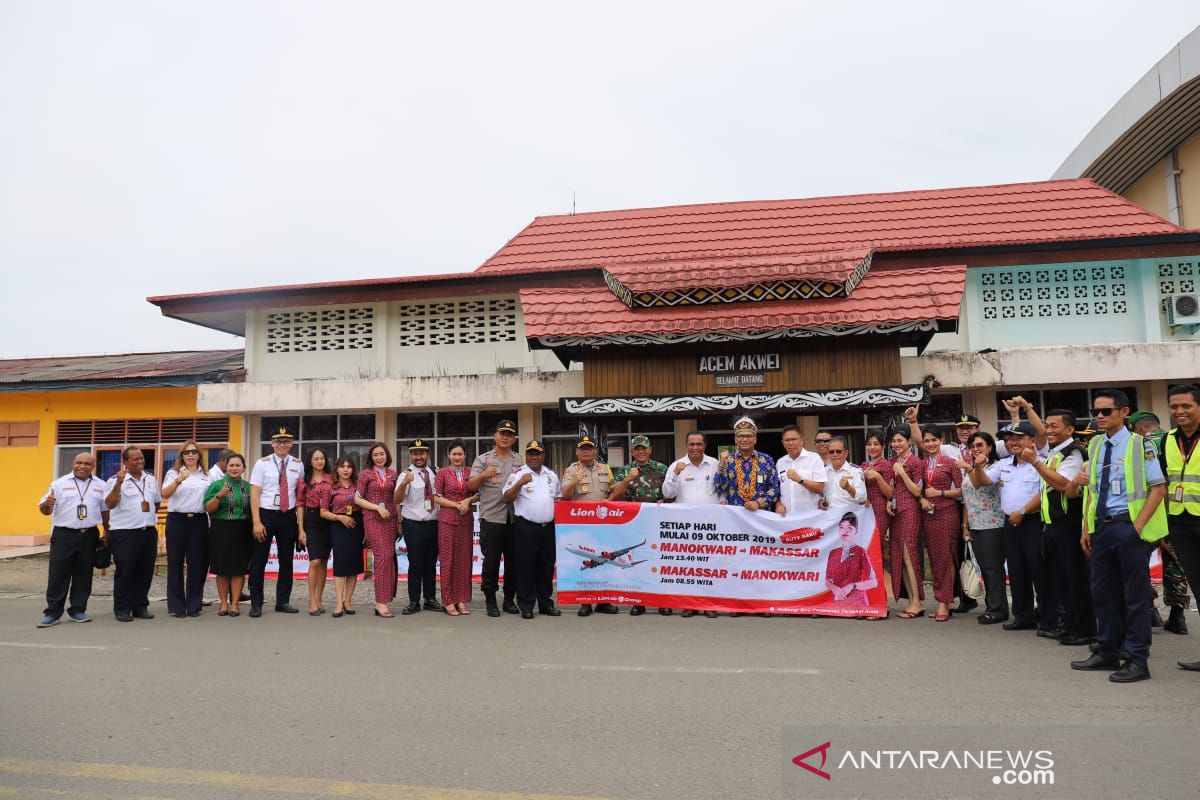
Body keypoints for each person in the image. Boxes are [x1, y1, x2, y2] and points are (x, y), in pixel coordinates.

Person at [1071, 388, 1167, 683]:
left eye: (1105, 411)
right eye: (1096, 411)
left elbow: (1158, 488)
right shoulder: (1097, 444)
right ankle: (1108, 650)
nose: (1099, 416)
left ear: (1124, 412)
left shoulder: (1142, 445)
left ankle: (1138, 659)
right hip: (1102, 528)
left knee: (1135, 598)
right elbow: (1093, 490)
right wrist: (1087, 528)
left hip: (1128, 528)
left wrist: (1136, 528)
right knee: (1103, 593)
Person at [970, 421, 1048, 633]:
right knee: (1016, 570)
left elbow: (1045, 493)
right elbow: (984, 482)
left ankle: (1048, 617)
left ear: (1032, 440)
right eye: (1009, 439)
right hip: (1011, 523)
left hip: (1033, 521)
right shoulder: (1004, 464)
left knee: (1039, 570)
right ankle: (1023, 616)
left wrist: (1023, 512)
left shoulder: (1042, 462)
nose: (1012, 442)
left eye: (1018, 438)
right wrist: (977, 466)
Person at [1028, 409, 1094, 646]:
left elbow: (1064, 484)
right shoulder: (1055, 453)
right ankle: (1069, 623)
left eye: (1055, 426)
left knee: (1076, 579)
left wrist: (1035, 462)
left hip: (1069, 524)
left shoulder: (1074, 452)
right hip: (1052, 524)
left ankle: (1084, 628)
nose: (1049, 430)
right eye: (1048, 425)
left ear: (1069, 429)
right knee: (1062, 579)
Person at [1131, 408, 1191, 634]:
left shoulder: (1139, 445)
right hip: (1179, 514)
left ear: (1136, 427)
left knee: (1139, 564)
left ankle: (1150, 611)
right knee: (1176, 565)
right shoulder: (1175, 441)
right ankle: (1178, 616)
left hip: (1149, 517)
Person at [714, 417, 780, 618]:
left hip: (760, 519)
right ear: (735, 439)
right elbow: (719, 487)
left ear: (755, 439)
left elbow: (775, 488)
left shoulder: (766, 460)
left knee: (761, 561)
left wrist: (759, 502)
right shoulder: (728, 460)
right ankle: (738, 603)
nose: (745, 439)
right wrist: (722, 467)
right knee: (737, 561)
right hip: (736, 522)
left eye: (748, 436)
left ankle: (763, 603)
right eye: (741, 436)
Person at [37, 452, 107, 627]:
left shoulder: (101, 485)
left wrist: (108, 533)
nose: (82, 466)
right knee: (58, 575)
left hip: (89, 535)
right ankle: (52, 613)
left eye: (87, 464)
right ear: (73, 463)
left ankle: (78, 609)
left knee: (84, 574)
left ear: (93, 466)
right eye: (79, 463)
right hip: (64, 535)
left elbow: (106, 511)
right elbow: (45, 510)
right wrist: (48, 505)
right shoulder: (59, 484)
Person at [661, 431, 721, 618]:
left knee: (710, 566)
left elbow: (723, 489)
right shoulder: (676, 465)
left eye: (699, 444)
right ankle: (690, 605)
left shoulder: (715, 464)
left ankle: (709, 604)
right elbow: (668, 494)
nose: (695, 447)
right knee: (690, 567)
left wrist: (725, 502)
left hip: (711, 524)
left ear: (705, 445)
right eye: (692, 444)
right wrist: (675, 475)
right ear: (686, 445)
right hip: (687, 527)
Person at [503, 440, 562, 619]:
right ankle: (526, 605)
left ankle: (545, 604)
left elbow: (559, 498)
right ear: (526, 455)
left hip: (548, 528)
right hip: (525, 528)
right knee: (526, 567)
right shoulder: (518, 474)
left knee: (546, 566)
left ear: (543, 455)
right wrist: (520, 483)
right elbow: (506, 498)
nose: (534, 457)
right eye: (531, 454)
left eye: (538, 453)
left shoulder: (551, 475)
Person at [610, 434, 669, 616]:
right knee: (638, 562)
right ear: (632, 452)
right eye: (637, 449)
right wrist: (627, 480)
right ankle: (639, 601)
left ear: (650, 449)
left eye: (644, 448)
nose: (641, 451)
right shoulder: (624, 470)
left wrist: (665, 500)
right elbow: (615, 497)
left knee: (660, 561)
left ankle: (662, 602)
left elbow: (672, 492)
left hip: (658, 523)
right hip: (635, 523)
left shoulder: (661, 468)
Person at [469, 419, 523, 618]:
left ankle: (509, 600)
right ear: (495, 436)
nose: (506, 437)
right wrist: (484, 474)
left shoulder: (519, 460)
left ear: (514, 438)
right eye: (502, 433)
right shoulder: (483, 459)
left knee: (513, 563)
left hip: (514, 518)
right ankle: (490, 600)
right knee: (491, 562)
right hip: (492, 518)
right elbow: (471, 486)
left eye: (509, 434)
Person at [249, 427, 304, 617]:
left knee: (286, 561)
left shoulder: (298, 464)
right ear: (272, 444)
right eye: (278, 442)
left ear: (291, 444)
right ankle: (256, 603)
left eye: (286, 442)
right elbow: (254, 493)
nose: (282, 445)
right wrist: (256, 521)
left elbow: (299, 495)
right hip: (266, 514)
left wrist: (300, 525)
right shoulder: (261, 464)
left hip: (287, 515)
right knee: (259, 561)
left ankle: (283, 601)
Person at [1163, 384, 1200, 670]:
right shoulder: (1167, 440)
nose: (1179, 411)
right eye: (1174, 407)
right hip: (1180, 521)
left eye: (1186, 405)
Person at [561, 433, 617, 617]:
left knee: (604, 561)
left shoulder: (605, 468)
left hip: (603, 524)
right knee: (584, 562)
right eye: (582, 449)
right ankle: (585, 601)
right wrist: (575, 481)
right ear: (577, 452)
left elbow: (613, 491)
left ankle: (603, 600)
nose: (586, 452)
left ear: (594, 451)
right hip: (581, 524)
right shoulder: (571, 470)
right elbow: (565, 495)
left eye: (589, 448)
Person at [104, 446, 162, 622]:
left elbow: (156, 503)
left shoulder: (150, 479)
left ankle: (140, 607)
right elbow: (110, 504)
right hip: (124, 533)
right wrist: (118, 484)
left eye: (142, 458)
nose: (140, 461)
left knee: (145, 571)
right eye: (136, 459)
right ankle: (122, 608)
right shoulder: (114, 480)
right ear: (125, 462)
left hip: (147, 532)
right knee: (125, 571)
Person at [914, 426, 962, 622]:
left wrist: (941, 493)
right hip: (929, 514)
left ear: (941, 441)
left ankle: (945, 602)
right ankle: (942, 598)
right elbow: (918, 489)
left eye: (934, 440)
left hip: (947, 513)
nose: (931, 444)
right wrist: (922, 500)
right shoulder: (923, 464)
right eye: (927, 441)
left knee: (946, 556)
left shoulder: (952, 463)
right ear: (923, 444)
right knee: (934, 558)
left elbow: (961, 490)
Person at [962, 432, 1008, 624]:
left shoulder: (997, 467)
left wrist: (976, 468)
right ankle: (992, 605)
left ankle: (998, 609)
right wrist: (965, 526)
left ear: (990, 447)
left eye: (980, 445)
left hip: (993, 523)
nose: (976, 449)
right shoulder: (971, 468)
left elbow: (981, 484)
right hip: (975, 524)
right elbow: (967, 498)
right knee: (984, 567)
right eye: (972, 446)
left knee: (993, 567)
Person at [161, 440, 211, 619]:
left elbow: (211, 498)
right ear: (181, 456)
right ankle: (176, 606)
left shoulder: (207, 475)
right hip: (177, 520)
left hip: (198, 520)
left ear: (199, 455)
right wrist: (178, 480)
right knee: (175, 563)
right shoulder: (173, 473)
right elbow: (165, 494)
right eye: (186, 453)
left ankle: (194, 605)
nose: (190, 455)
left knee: (197, 564)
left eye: (194, 452)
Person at [396, 439, 442, 615]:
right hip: (414, 525)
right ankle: (414, 601)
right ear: (411, 455)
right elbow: (397, 499)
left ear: (427, 454)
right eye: (415, 453)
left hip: (434, 523)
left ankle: (430, 599)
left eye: (422, 453)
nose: (419, 456)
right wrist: (405, 483)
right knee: (415, 564)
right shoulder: (405, 474)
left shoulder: (435, 472)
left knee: (431, 563)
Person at [203, 453, 252, 617]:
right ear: (226, 467)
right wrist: (218, 496)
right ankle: (223, 603)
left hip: (242, 529)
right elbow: (208, 509)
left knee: (239, 569)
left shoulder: (249, 486)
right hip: (221, 529)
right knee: (222, 569)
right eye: (231, 465)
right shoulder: (217, 485)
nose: (235, 468)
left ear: (243, 468)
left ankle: (235, 604)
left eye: (238, 465)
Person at [434, 439, 479, 616]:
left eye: (460, 454)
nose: (457, 457)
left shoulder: (471, 472)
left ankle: (461, 599)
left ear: (465, 455)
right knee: (448, 560)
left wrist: (468, 500)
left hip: (466, 521)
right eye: (454, 454)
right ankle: (448, 600)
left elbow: (478, 493)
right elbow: (436, 497)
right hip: (447, 521)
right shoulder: (443, 473)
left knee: (464, 560)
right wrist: (456, 505)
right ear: (449, 455)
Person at [356, 441, 399, 618]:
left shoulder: (393, 474)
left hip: (390, 520)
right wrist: (376, 508)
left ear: (387, 456)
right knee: (382, 557)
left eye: (382, 454)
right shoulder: (366, 474)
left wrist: (400, 522)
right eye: (376, 455)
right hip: (373, 518)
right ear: (371, 458)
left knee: (389, 558)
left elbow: (397, 499)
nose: (379, 457)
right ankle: (380, 601)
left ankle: (385, 598)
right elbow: (358, 499)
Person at [888, 429, 926, 618]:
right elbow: (892, 488)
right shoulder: (893, 462)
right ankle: (911, 600)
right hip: (895, 512)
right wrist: (888, 502)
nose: (896, 444)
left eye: (900, 440)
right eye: (894, 441)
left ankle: (917, 601)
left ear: (909, 441)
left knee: (909, 554)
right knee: (900, 558)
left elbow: (917, 491)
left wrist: (902, 472)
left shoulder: (915, 462)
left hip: (910, 510)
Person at [322, 456, 362, 617]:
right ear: (336, 469)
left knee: (353, 565)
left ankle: (348, 601)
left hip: (357, 524)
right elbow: (323, 512)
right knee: (340, 564)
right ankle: (338, 603)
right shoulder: (330, 487)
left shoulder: (358, 486)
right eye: (342, 466)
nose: (346, 470)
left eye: (349, 466)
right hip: (338, 524)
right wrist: (340, 518)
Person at [297, 448, 333, 616]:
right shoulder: (304, 481)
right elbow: (300, 505)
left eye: (322, 458)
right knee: (315, 561)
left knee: (324, 561)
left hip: (329, 520)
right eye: (316, 458)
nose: (320, 461)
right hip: (311, 520)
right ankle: (311, 599)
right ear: (310, 461)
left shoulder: (332, 479)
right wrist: (301, 529)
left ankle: (319, 598)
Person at [860, 431, 895, 602]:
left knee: (876, 552)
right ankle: (868, 596)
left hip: (879, 511)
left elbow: (890, 493)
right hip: (863, 512)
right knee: (865, 552)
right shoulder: (863, 465)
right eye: (869, 444)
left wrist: (878, 477)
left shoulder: (886, 465)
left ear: (883, 446)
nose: (872, 447)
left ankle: (880, 598)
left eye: (876, 444)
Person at [824, 511, 878, 606]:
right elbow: (827, 581)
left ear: (856, 530)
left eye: (849, 527)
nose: (845, 531)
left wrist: (853, 585)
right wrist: (835, 589)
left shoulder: (860, 551)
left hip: (857, 602)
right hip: (838, 600)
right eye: (842, 527)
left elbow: (874, 582)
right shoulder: (833, 553)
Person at [776, 425, 825, 518]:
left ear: (802, 440)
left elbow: (820, 488)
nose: (790, 443)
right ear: (783, 443)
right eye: (787, 440)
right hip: (786, 517)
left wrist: (800, 480)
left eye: (794, 439)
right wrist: (778, 505)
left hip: (809, 517)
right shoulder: (780, 462)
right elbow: (776, 489)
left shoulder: (814, 459)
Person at [821, 436, 866, 511]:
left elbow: (863, 498)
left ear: (846, 453)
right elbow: (818, 493)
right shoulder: (823, 471)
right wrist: (820, 500)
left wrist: (849, 488)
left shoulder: (855, 471)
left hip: (848, 517)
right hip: (828, 517)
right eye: (831, 452)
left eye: (838, 451)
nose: (835, 454)